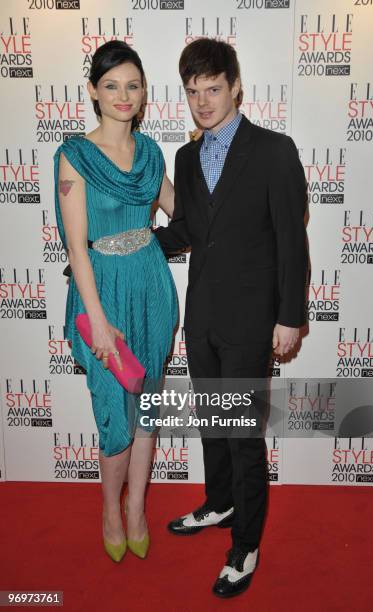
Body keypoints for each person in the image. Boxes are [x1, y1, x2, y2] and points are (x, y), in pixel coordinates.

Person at [154, 39, 308, 598]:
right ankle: (219, 503)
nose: (203, 102)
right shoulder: (187, 159)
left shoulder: (273, 150)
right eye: (193, 92)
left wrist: (289, 316)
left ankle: (245, 544)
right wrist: (126, 245)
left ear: (236, 86)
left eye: (212, 89)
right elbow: (189, 232)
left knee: (242, 434)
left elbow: (292, 238)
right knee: (213, 423)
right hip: (202, 318)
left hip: (252, 321)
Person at [54, 40, 177, 563]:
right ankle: (110, 509)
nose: (123, 95)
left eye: (132, 85)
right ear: (93, 92)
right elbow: (76, 250)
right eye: (111, 86)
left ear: (144, 92)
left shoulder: (150, 152)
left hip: (151, 288)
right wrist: (98, 324)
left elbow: (182, 210)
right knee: (114, 415)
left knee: (147, 409)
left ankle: (137, 511)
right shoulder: (74, 156)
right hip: (100, 295)